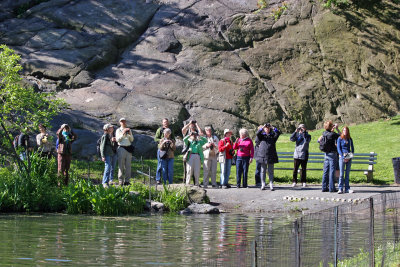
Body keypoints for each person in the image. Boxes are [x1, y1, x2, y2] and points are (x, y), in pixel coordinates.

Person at [254, 123, 281, 191]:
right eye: (266, 128)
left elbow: (278, 133)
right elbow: (257, 133)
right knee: (262, 171)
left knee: (271, 171)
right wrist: (262, 127)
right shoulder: (262, 136)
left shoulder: (272, 136)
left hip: (271, 155)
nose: (267, 129)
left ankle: (271, 183)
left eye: (268, 128)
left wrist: (272, 127)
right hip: (263, 155)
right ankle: (263, 183)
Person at [318, 120, 341, 193]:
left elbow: (319, 140)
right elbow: (341, 136)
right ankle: (332, 188)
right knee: (332, 171)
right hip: (332, 154)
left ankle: (324, 187)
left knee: (325, 171)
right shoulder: (333, 134)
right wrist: (337, 129)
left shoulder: (324, 133)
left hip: (326, 154)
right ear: (331, 126)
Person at [154, 118, 175, 185]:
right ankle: (158, 179)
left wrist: (171, 142)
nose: (165, 123)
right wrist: (162, 141)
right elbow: (155, 139)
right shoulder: (159, 130)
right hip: (161, 150)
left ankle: (168, 181)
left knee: (168, 168)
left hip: (169, 151)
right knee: (160, 165)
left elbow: (174, 139)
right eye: (164, 122)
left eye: (166, 122)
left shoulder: (170, 130)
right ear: (162, 123)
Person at [116, 118, 134, 186]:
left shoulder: (129, 129)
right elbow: (118, 140)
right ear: (120, 122)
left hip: (128, 148)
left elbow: (132, 140)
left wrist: (129, 134)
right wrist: (123, 133)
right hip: (121, 148)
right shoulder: (118, 130)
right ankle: (120, 181)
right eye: (122, 121)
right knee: (121, 165)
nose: (123, 122)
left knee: (128, 166)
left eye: (124, 121)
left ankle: (127, 181)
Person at [337, 126, 354, 194]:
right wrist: (343, 157)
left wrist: (349, 157)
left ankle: (347, 188)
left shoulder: (350, 139)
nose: (345, 132)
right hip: (342, 156)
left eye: (346, 130)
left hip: (348, 156)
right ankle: (340, 188)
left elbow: (352, 149)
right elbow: (338, 148)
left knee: (347, 174)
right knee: (341, 174)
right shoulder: (340, 139)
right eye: (344, 130)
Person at [100, 124, 118, 188]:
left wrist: (114, 141)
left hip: (113, 153)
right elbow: (102, 146)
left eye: (112, 127)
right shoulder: (105, 136)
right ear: (107, 128)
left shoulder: (112, 135)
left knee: (112, 167)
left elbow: (113, 145)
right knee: (107, 168)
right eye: (110, 127)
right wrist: (102, 156)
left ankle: (110, 180)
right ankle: (104, 182)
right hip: (107, 154)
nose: (112, 128)